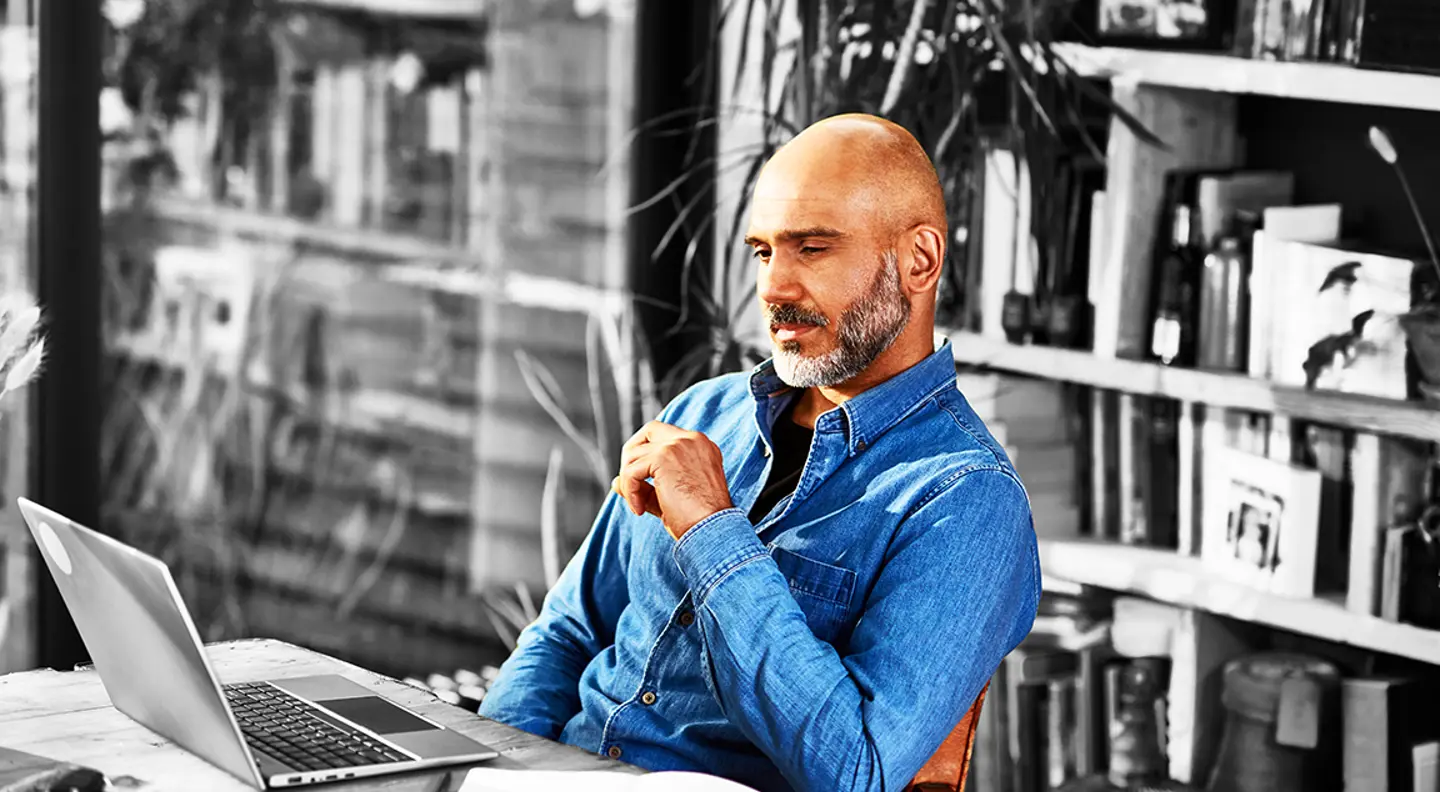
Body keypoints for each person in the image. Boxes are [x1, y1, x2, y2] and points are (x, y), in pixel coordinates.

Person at [478, 113, 1041, 792]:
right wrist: (495, 766)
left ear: (918, 261)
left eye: (812, 249)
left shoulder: (965, 500)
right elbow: (566, 635)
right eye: (763, 251)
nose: (773, 288)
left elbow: (855, 770)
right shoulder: (701, 413)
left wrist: (713, 531)